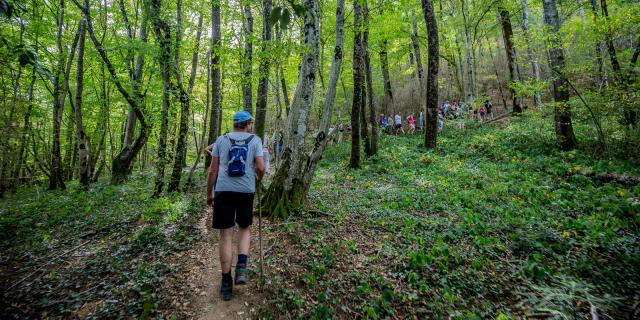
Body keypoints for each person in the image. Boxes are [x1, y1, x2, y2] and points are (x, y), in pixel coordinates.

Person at [206, 111, 265, 301]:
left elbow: (213, 169)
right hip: (245, 191)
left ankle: (225, 283)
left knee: (225, 234)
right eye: (251, 123)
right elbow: (261, 167)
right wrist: (258, 178)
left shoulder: (221, 140)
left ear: (234, 124)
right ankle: (241, 267)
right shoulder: (255, 140)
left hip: (223, 191)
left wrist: (209, 193)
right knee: (245, 228)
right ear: (247, 124)